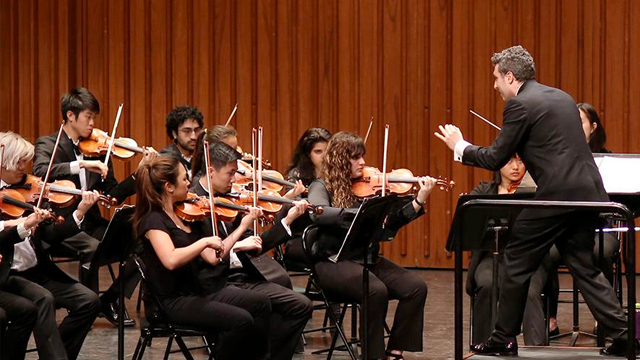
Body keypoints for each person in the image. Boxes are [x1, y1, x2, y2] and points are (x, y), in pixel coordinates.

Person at [435, 45, 631, 356]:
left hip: (558, 196)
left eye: (497, 78)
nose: (495, 85)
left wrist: (461, 146)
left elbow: (496, 156)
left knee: (514, 258)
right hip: (588, 192)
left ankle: (503, 339)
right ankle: (624, 335)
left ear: (510, 76)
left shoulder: (520, 105)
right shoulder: (561, 97)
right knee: (584, 266)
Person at [33, 87, 155, 326]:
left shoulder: (97, 149)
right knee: (92, 247)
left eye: (93, 117)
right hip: (60, 224)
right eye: (88, 116)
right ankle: (86, 308)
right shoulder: (48, 143)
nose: (92, 123)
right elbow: (40, 172)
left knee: (144, 245)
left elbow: (112, 195)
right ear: (70, 115)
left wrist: (139, 173)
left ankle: (110, 299)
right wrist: (81, 166)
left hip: (91, 222)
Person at [308, 131, 434, 360]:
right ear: (339, 159)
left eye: (362, 156)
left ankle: (394, 352)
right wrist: (358, 213)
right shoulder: (322, 186)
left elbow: (388, 226)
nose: (363, 162)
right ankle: (372, 356)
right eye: (355, 157)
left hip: (365, 259)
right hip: (333, 261)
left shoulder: (367, 190)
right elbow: (319, 213)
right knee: (375, 290)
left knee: (415, 287)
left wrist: (418, 201)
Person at [133, 154, 272, 360]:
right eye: (184, 179)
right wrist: (203, 242)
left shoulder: (186, 216)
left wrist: (243, 225)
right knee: (240, 320)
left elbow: (214, 257)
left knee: (261, 303)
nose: (190, 183)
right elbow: (170, 260)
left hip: (196, 291)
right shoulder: (153, 221)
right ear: (169, 187)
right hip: (170, 302)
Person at [191, 141, 313, 360]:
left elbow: (257, 246)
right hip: (215, 281)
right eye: (230, 173)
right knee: (257, 306)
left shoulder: (229, 197)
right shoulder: (193, 203)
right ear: (211, 171)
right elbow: (207, 253)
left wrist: (287, 220)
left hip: (243, 276)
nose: (234, 179)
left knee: (300, 305)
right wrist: (238, 240)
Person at [1, 131, 102, 360]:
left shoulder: (29, 190)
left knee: (90, 301)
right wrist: (20, 224)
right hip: (9, 276)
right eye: (18, 162)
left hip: (38, 270)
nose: (24, 168)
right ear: (3, 163)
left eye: (25, 162)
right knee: (43, 299)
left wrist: (79, 212)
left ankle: (60, 354)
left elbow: (51, 236)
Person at [543, 102, 617, 337]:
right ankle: (550, 317)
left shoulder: (607, 159)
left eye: (581, 122)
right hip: (563, 229)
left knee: (601, 252)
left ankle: (605, 318)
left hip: (600, 230)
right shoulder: (558, 157)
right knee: (544, 252)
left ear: (593, 127)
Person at [282, 127, 332, 270]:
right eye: (318, 152)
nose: (324, 156)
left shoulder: (336, 175)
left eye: (327, 151)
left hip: (330, 235)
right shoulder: (297, 175)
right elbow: (289, 207)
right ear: (307, 154)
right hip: (302, 237)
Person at [160, 106, 204, 179]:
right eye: (187, 131)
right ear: (174, 133)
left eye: (197, 130)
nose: (194, 137)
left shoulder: (205, 155)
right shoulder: (167, 159)